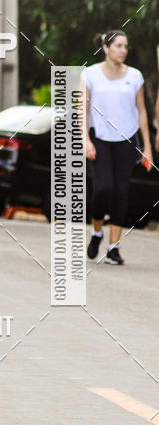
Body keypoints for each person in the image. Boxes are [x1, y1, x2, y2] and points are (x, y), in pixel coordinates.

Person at [84, 30, 152, 264]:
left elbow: (142, 112)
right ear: (106, 48)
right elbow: (82, 111)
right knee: (103, 189)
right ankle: (96, 233)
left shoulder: (135, 76)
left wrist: (147, 147)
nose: (124, 50)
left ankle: (113, 247)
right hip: (100, 139)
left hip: (127, 140)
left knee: (121, 193)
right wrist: (85, 139)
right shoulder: (90, 74)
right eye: (119, 46)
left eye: (126, 46)